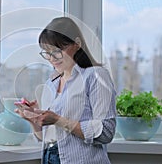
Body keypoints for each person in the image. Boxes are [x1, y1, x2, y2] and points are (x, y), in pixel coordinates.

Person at [14, 17, 117, 164]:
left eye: (57, 51)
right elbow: (46, 138)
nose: (52, 58)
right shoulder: (51, 83)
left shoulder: (96, 76)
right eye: (47, 52)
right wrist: (34, 120)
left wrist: (58, 120)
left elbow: (106, 132)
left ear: (77, 44)